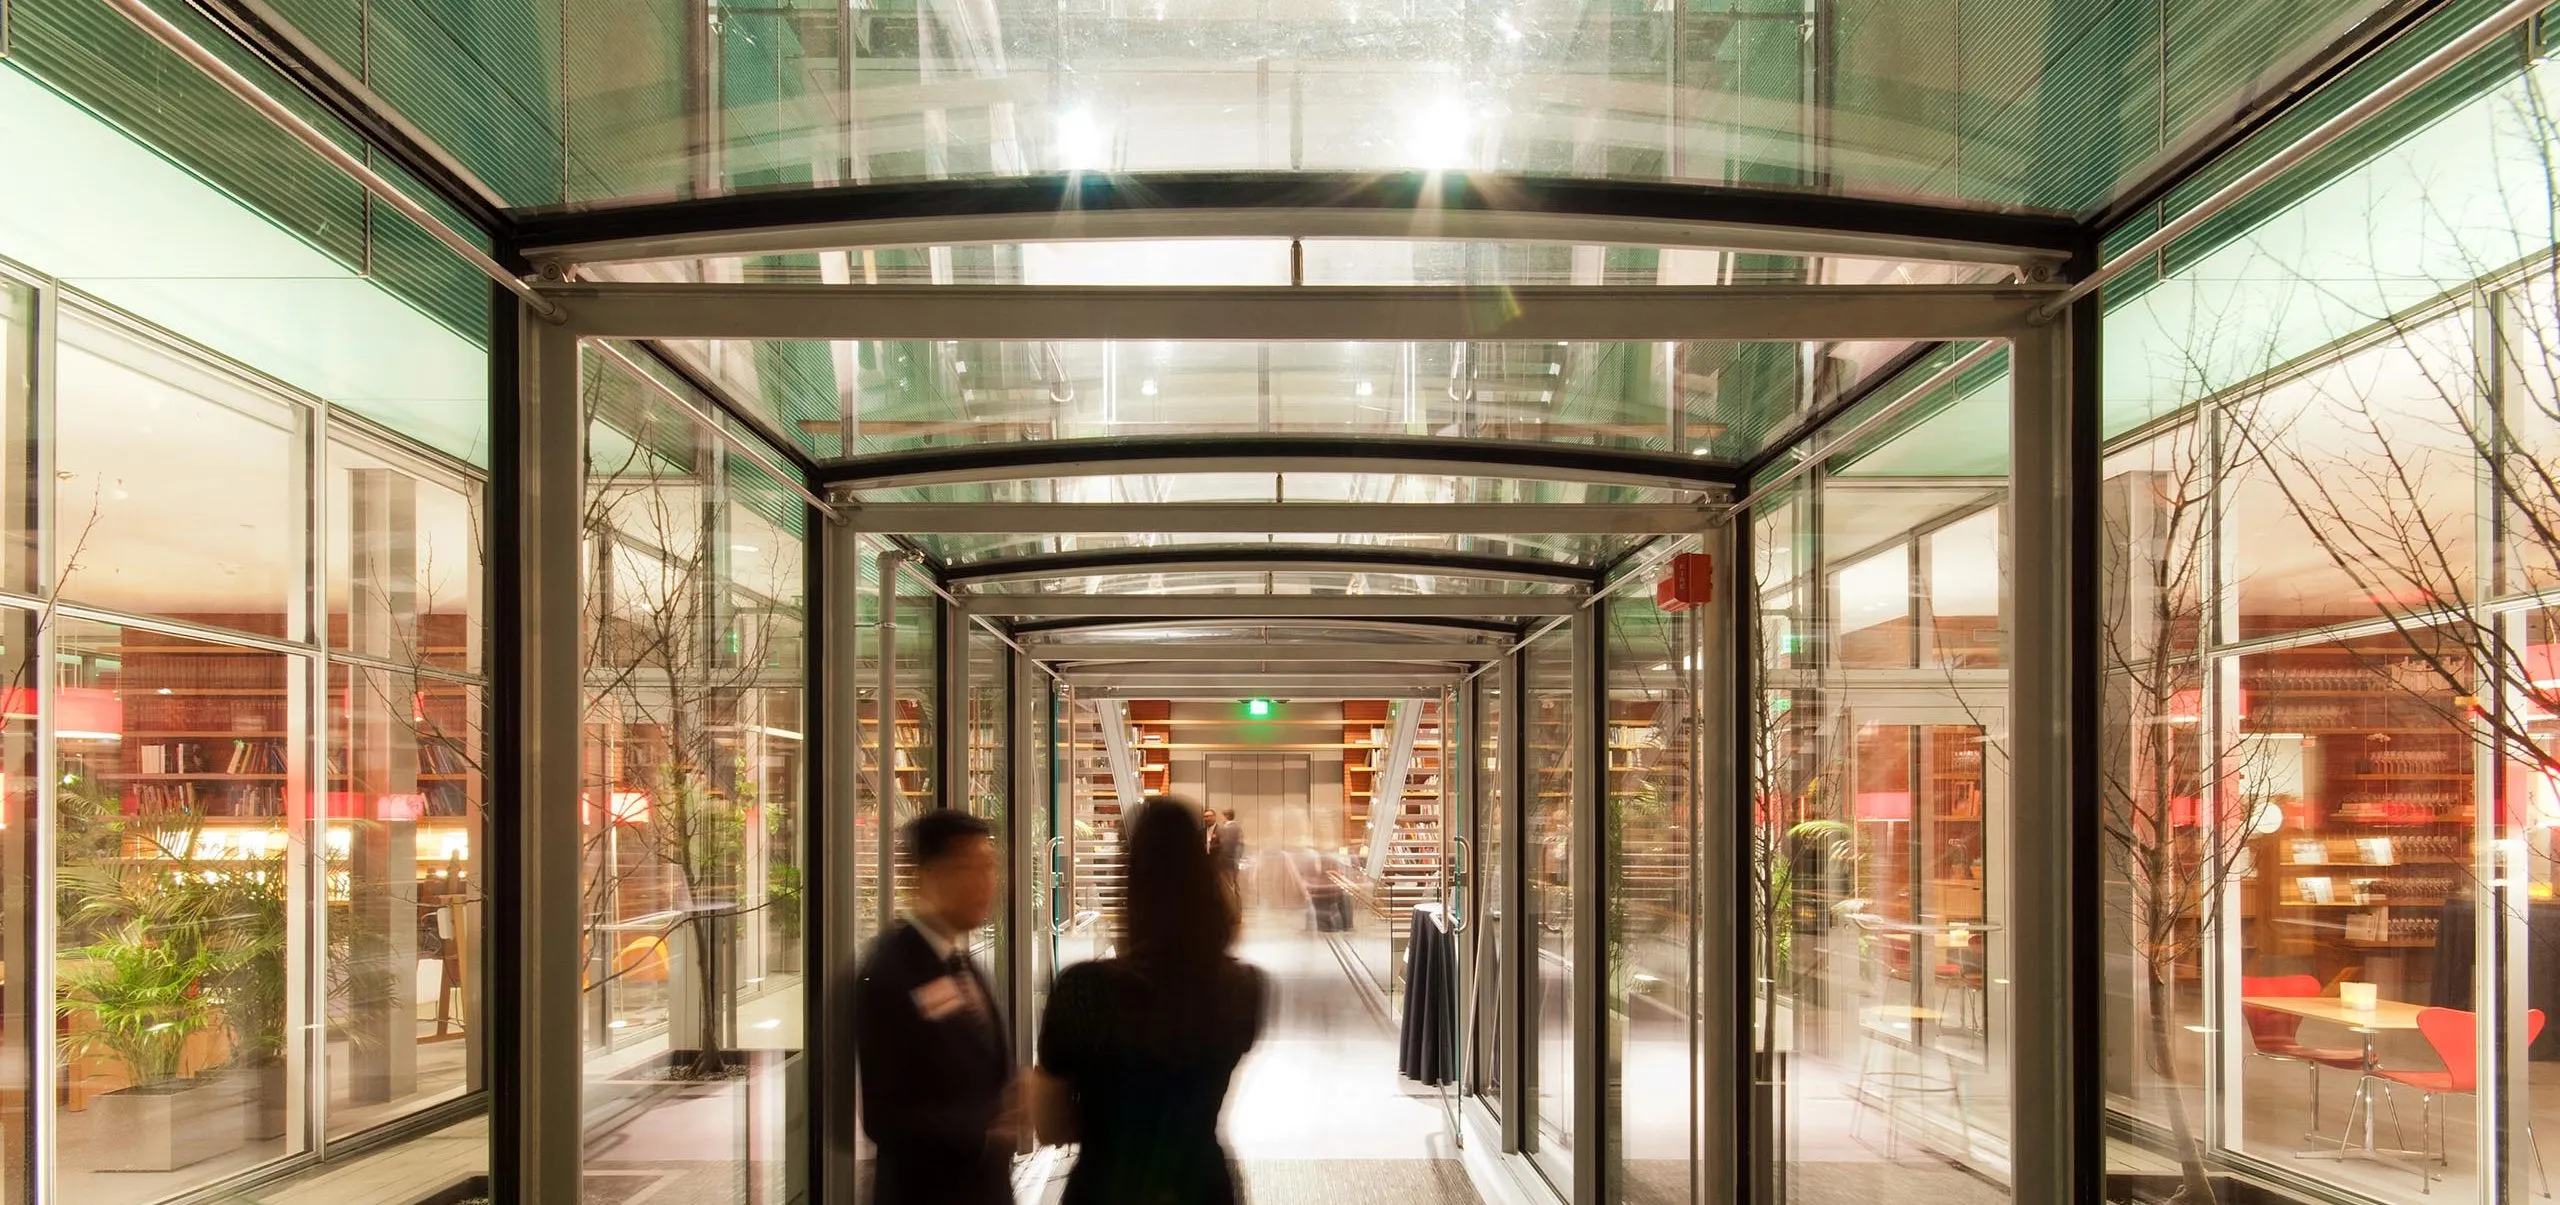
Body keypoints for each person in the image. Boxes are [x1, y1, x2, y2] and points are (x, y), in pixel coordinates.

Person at [1032, 799, 1267, 1205]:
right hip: (1200, 1185)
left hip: (1108, 1186)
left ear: (1131, 882)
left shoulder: (1083, 990)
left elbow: (1051, 1127)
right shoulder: (1244, 988)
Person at [853, 810, 1016, 1205]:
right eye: (967, 867)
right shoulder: (892, 970)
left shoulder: (960, 960)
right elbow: (885, 1116)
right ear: (925, 876)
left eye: (989, 867)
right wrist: (985, 1130)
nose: (984, 883)